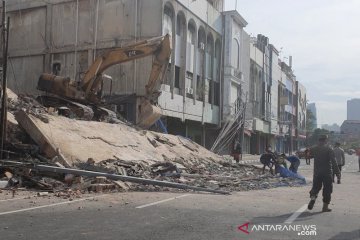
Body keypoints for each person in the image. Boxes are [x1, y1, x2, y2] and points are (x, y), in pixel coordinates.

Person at [307, 135, 340, 212]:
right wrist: (338, 173)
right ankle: (325, 207)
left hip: (317, 172)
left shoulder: (313, 148)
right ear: (326, 140)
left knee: (315, 187)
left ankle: (313, 198)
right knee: (327, 189)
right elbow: (333, 161)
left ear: (319, 140)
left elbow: (309, 156)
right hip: (327, 172)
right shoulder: (329, 149)